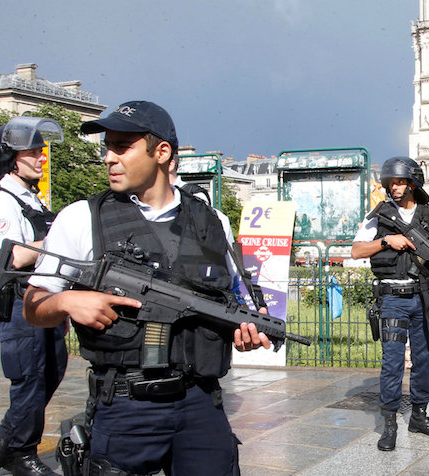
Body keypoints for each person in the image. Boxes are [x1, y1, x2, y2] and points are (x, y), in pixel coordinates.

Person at [23, 101, 271, 475]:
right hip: (125, 406)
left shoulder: (213, 221)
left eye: (121, 146)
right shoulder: (79, 218)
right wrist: (66, 301)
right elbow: (33, 305)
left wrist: (249, 327)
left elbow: (233, 299)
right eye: (107, 147)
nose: (108, 158)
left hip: (201, 402)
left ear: (162, 152)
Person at [0, 116, 67, 476]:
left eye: (41, 152)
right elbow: (11, 257)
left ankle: (4, 441)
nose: (41, 159)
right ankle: (20, 452)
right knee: (29, 376)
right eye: (33, 153)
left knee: (52, 370)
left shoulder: (30, 198)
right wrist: (58, 243)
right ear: (10, 156)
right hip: (18, 302)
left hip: (41, 298)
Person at [351, 156, 429, 452]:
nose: (395, 187)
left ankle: (419, 416)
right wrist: (388, 241)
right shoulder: (378, 215)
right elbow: (356, 251)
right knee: (392, 362)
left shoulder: (426, 214)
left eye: (401, 182)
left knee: (424, 359)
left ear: (413, 184)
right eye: (391, 183)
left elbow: (427, 257)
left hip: (423, 296)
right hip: (392, 299)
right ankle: (389, 422)